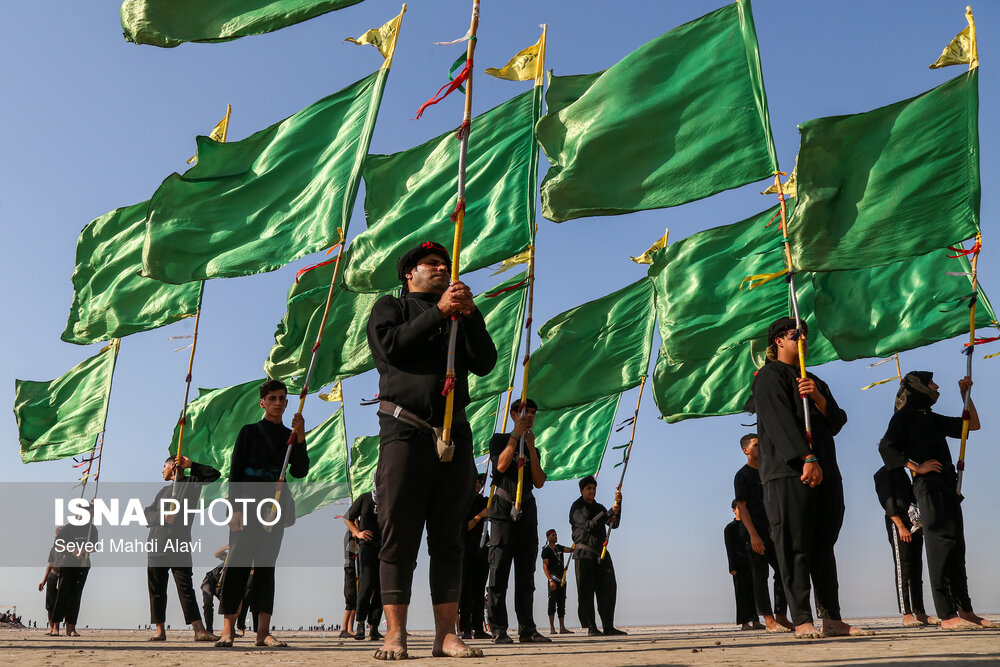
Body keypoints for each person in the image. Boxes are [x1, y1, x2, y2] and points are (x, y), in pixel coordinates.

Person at [366, 240, 497, 660]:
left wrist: (469, 315)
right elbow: (391, 348)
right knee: (398, 537)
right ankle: (395, 633)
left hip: (454, 436)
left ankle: (446, 634)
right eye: (432, 264)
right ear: (410, 272)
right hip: (405, 433)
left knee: (448, 539)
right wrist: (438, 312)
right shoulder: (392, 307)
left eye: (446, 264)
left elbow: (485, 362)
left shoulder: (459, 316)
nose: (442, 269)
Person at [750, 317, 869, 638]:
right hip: (789, 473)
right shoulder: (768, 377)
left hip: (826, 471)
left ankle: (832, 618)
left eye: (805, 334)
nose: (803, 338)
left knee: (823, 545)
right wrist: (806, 457)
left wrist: (817, 398)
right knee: (794, 546)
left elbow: (837, 420)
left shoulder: (812, 379)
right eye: (795, 334)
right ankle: (802, 619)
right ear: (778, 340)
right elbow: (778, 423)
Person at [878, 371, 994, 629]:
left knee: (956, 547)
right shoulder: (904, 417)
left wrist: (966, 395)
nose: (936, 386)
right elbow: (886, 446)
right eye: (931, 382)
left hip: (948, 486)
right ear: (917, 386)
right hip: (927, 488)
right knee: (939, 546)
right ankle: (946, 615)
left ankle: (965, 610)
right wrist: (916, 467)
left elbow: (971, 425)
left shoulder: (929, 416)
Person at [216, 378, 309, 648]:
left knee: (266, 567)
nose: (278, 403)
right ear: (263, 403)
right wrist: (233, 510)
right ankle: (227, 630)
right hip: (245, 508)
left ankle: (263, 633)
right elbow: (235, 473)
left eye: (282, 398)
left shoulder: (288, 437)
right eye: (273, 399)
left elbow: (300, 471)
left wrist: (300, 435)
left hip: (274, 509)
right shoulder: (249, 432)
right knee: (237, 567)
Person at [486, 398, 550, 644]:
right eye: (525, 411)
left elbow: (539, 480)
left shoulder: (534, 445)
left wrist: (531, 448)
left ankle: (527, 628)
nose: (530, 416)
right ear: (513, 414)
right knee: (499, 572)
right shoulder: (500, 440)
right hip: (503, 510)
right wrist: (515, 436)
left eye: (533, 412)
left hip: (527, 511)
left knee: (526, 575)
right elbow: (501, 466)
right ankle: (499, 629)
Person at [144, 454, 221, 642]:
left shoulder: (191, 483)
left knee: (185, 588)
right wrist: (163, 516)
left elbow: (214, 475)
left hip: (180, 545)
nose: (162, 470)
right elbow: (146, 514)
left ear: (172, 467)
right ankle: (160, 630)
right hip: (157, 546)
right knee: (157, 589)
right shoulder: (163, 491)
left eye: (164, 466)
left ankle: (199, 630)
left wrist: (190, 464)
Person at [734, 433, 792, 633]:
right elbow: (742, 506)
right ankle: (768, 620)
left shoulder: (769, 471)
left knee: (784, 572)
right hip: (754, 532)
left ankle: (781, 616)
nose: (762, 448)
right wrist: (753, 535)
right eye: (757, 445)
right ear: (746, 450)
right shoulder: (742, 476)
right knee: (760, 575)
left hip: (775, 530)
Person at [873, 464, 936, 627]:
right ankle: (906, 614)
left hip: (914, 523)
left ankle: (920, 612)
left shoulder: (906, 472)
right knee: (904, 568)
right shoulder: (884, 473)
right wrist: (900, 526)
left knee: (917, 568)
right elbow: (887, 502)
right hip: (898, 524)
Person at [569, 475, 625, 637]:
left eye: (594, 488)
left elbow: (613, 524)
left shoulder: (599, 507)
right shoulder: (577, 507)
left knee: (608, 588)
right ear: (582, 490)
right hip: (584, 553)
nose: (592, 491)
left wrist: (618, 505)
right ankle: (591, 627)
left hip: (601, 553)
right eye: (588, 488)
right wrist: (607, 514)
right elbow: (588, 525)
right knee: (585, 590)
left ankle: (608, 626)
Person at [51, 520, 98, 637]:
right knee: (62, 594)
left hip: (83, 565)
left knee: (76, 596)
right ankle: (55, 626)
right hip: (67, 564)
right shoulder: (69, 527)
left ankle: (71, 627)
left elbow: (95, 547)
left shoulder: (92, 529)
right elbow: (58, 544)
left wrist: (83, 550)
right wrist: (72, 548)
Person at [348, 487, 384, 641]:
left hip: (385, 547)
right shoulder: (365, 498)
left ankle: (374, 627)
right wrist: (357, 533)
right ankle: (360, 623)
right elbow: (348, 518)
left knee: (381, 588)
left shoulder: (390, 498)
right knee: (366, 585)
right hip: (367, 547)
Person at [458, 473, 490, 640]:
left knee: (479, 591)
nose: (477, 485)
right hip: (467, 550)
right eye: (474, 482)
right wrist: (480, 516)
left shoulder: (484, 501)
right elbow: (464, 528)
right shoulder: (462, 502)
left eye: (479, 482)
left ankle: (478, 627)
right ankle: (465, 628)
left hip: (483, 550)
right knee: (466, 591)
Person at [724, 501, 761, 630]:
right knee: (741, 593)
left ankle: (756, 621)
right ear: (734, 510)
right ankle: (744, 623)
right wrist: (732, 567)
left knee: (755, 592)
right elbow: (729, 549)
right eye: (738, 508)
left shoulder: (750, 526)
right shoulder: (730, 528)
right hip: (739, 566)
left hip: (752, 562)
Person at [540, 529, 574, 635]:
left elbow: (569, 550)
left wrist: (575, 545)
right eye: (553, 535)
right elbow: (545, 567)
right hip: (553, 580)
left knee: (561, 603)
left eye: (556, 535)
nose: (555, 537)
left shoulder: (559, 547)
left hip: (562, 580)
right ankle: (552, 628)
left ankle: (562, 628)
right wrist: (550, 580)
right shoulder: (546, 551)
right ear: (548, 537)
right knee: (552, 603)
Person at [39, 531, 61, 636]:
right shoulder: (54, 549)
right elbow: (50, 564)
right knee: (50, 604)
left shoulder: (70, 548)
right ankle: (51, 628)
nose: (56, 538)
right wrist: (44, 581)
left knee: (60, 603)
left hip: (64, 577)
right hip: (52, 576)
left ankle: (57, 627)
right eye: (56, 536)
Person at [340, 522, 358, 639]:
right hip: (350, 568)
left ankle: (350, 629)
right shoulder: (350, 535)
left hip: (355, 569)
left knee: (355, 601)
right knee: (350, 600)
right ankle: (344, 629)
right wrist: (355, 525)